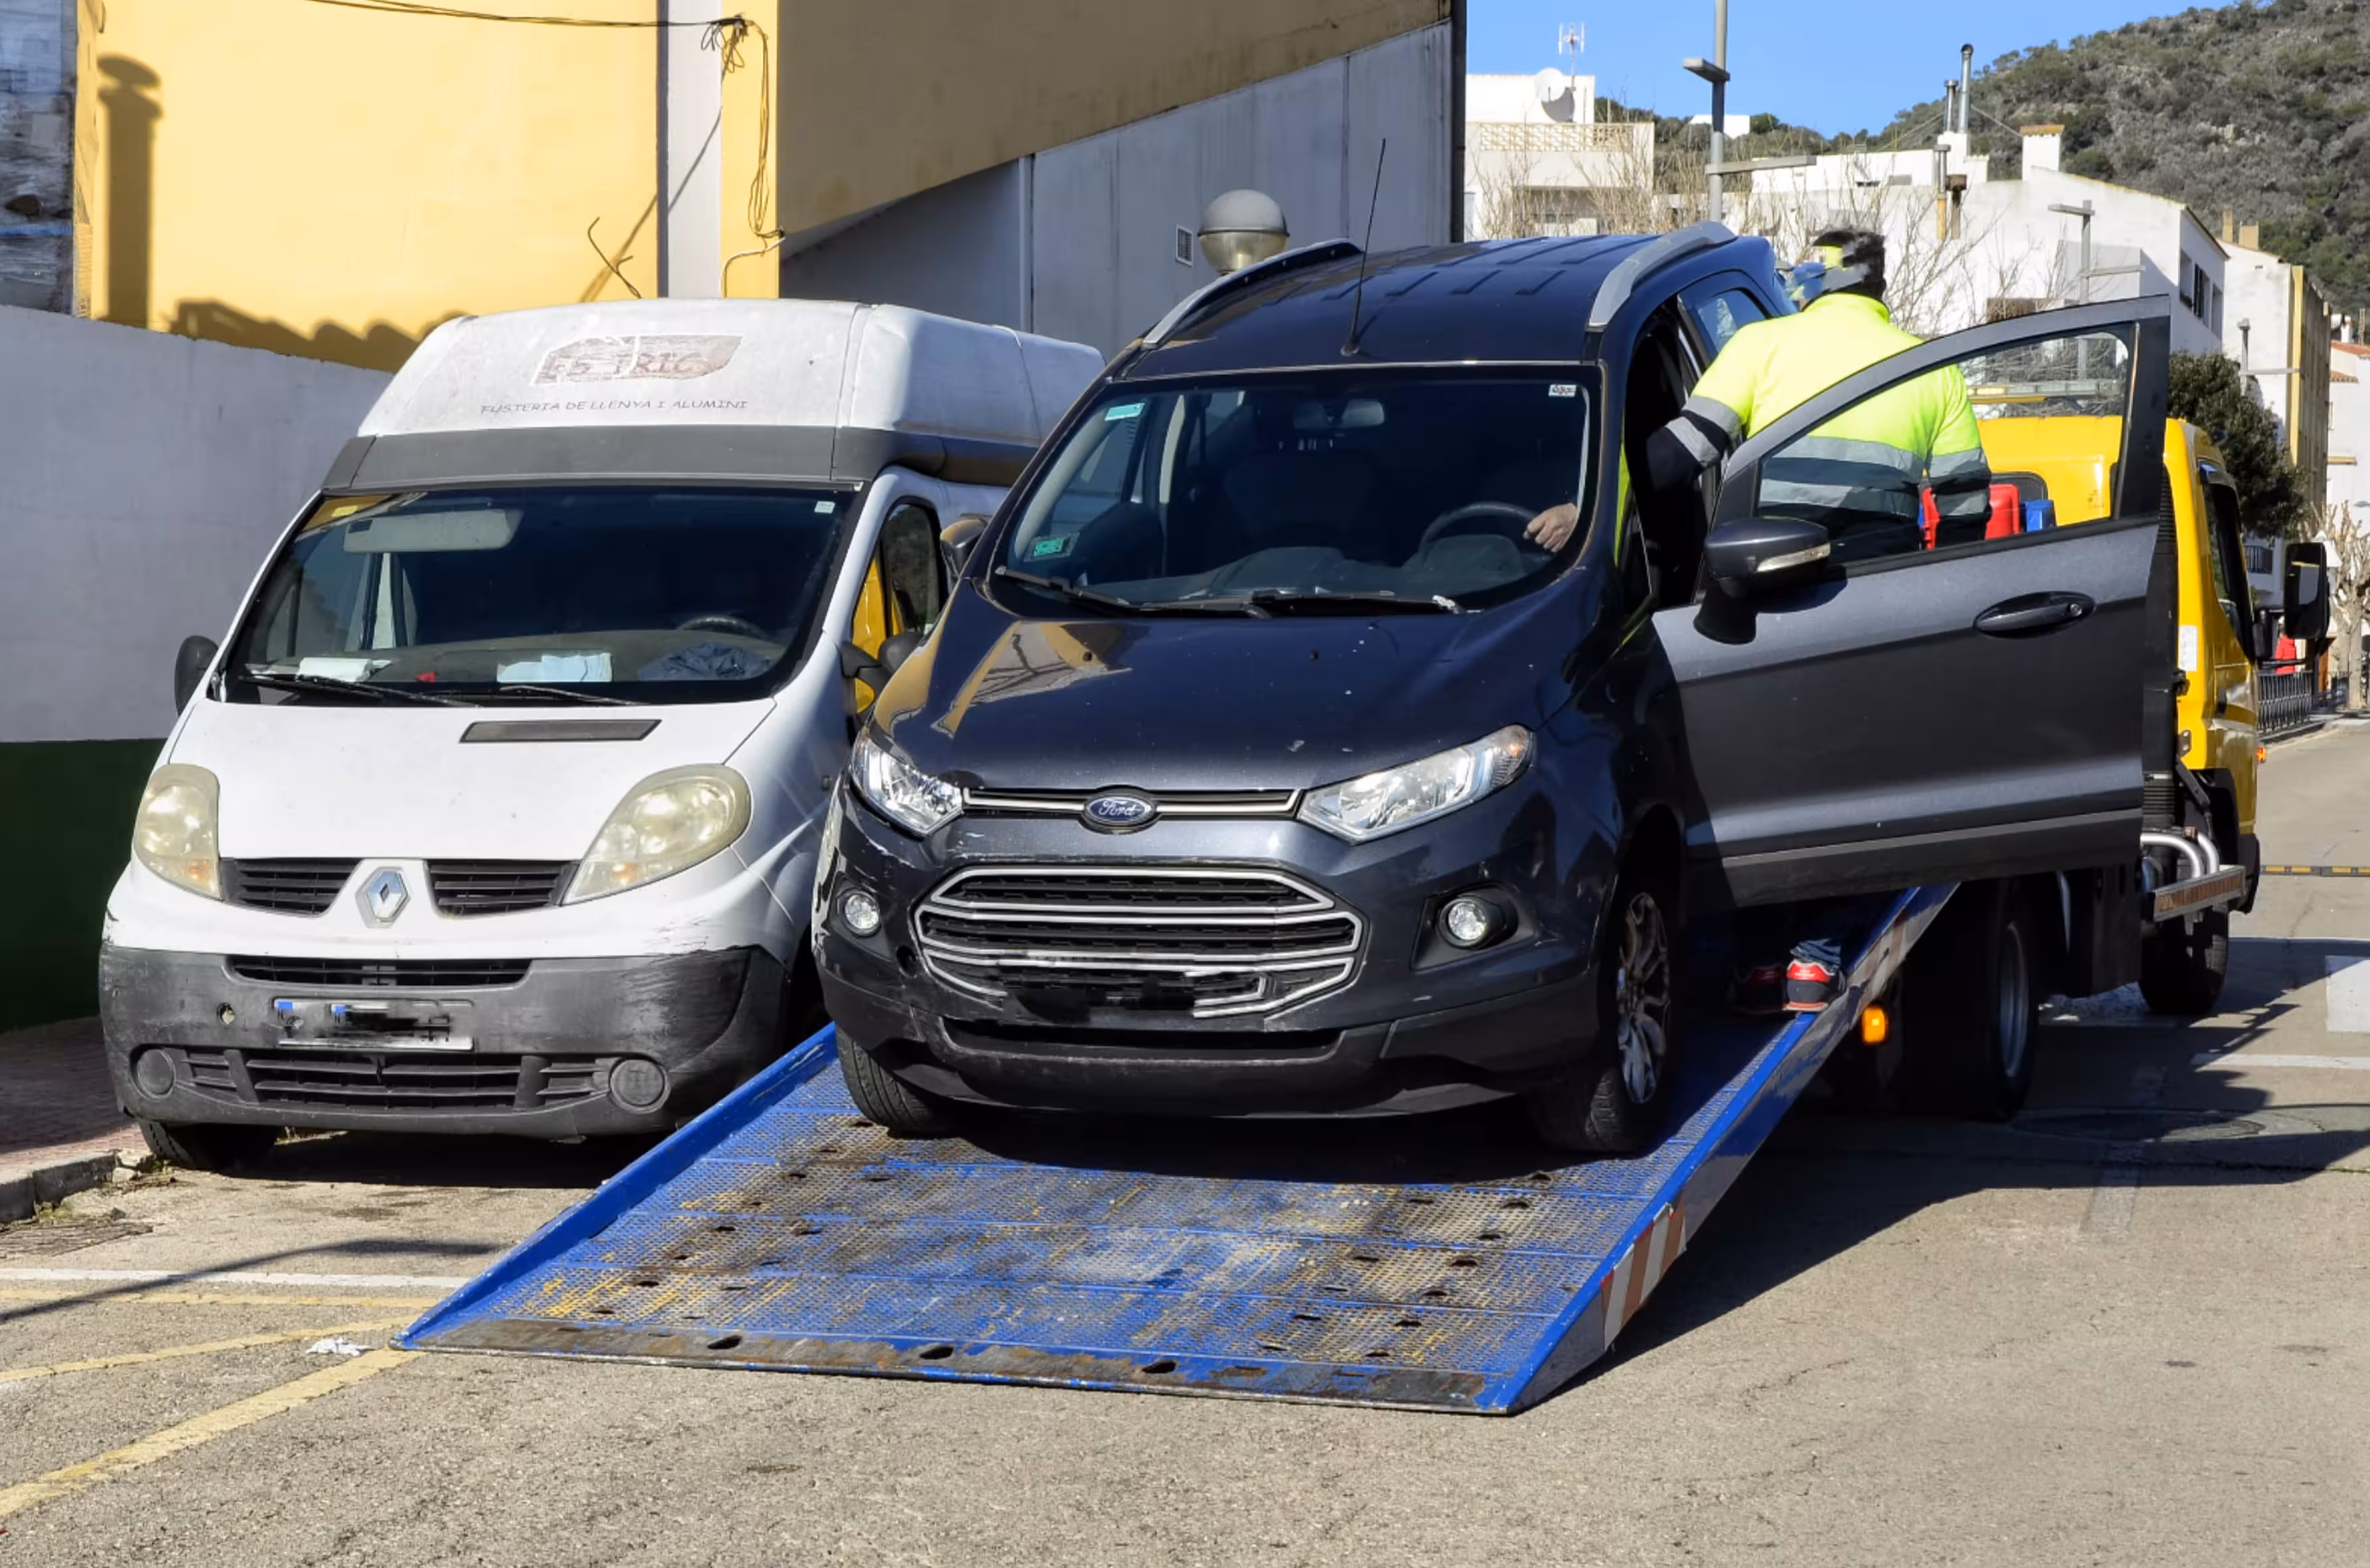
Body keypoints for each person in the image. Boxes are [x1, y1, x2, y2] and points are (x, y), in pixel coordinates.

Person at [1523, 228, 1992, 562]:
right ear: (1879, 287)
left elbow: (1677, 457)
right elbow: (1964, 503)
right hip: (1882, 577)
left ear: (1812, 284)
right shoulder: (1933, 368)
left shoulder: (1759, 344)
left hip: (1772, 573)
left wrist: (1586, 508)